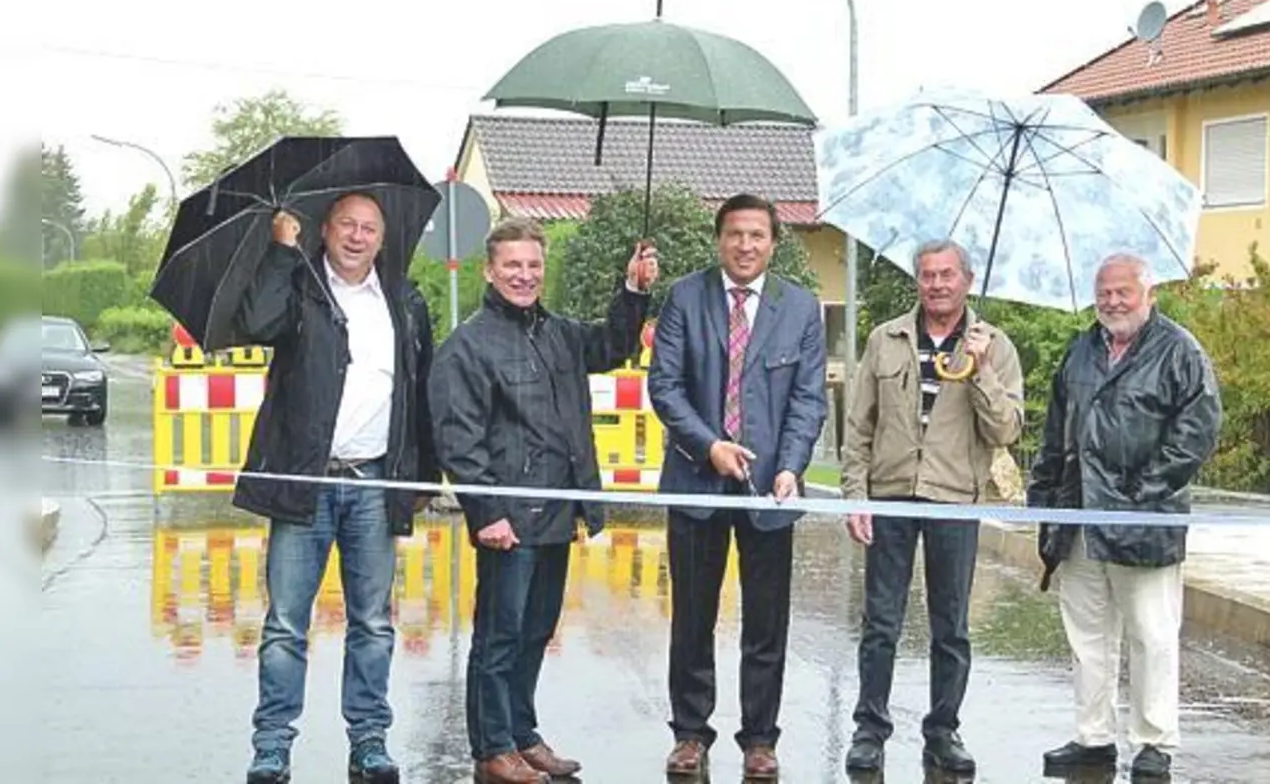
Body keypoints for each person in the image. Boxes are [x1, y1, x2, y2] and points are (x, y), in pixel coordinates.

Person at [429, 217, 658, 784]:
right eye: (513, 265)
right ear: (490, 270)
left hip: (558, 512)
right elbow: (458, 439)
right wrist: (488, 513)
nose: (524, 275)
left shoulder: (558, 333)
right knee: (498, 637)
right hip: (509, 519)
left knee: (535, 631)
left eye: (533, 265)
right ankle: (492, 749)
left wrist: (633, 291)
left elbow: (610, 345)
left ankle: (522, 734)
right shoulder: (468, 346)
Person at [235, 193, 438, 784]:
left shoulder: (404, 300)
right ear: (323, 231)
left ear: (382, 238)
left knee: (373, 622)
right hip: (306, 478)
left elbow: (419, 389)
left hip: (374, 480)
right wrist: (279, 251)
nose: (356, 236)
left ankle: (370, 740)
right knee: (285, 625)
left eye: (369, 227)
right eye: (346, 224)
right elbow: (255, 324)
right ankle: (272, 745)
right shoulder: (298, 289)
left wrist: (422, 475)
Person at [647, 193, 829, 779]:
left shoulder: (799, 308)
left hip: (768, 491)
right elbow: (666, 388)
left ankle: (760, 738)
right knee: (693, 618)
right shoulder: (684, 298)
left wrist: (792, 466)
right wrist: (709, 446)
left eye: (756, 235)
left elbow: (807, 399)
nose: (745, 246)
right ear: (718, 239)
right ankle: (690, 733)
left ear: (774, 241)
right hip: (698, 482)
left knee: (766, 622)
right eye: (735, 235)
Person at [1027, 253, 1222, 781]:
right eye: (1104, 292)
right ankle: (1093, 737)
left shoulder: (1179, 351)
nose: (1112, 302)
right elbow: (1055, 430)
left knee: (1151, 633)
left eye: (1123, 292)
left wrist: (1142, 492)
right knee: (1087, 636)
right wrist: (1042, 495)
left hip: (1146, 520)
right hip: (1079, 518)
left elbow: (1198, 431)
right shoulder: (1080, 350)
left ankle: (1155, 742)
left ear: (1147, 293)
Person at [839, 238, 1026, 775]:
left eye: (947, 275)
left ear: (966, 280)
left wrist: (981, 371)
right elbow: (860, 426)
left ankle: (943, 730)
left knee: (951, 625)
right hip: (892, 494)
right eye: (927, 275)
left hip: (953, 500)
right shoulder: (886, 339)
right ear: (917, 281)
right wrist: (856, 495)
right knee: (881, 622)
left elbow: (1006, 429)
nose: (937, 284)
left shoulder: (995, 346)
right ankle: (869, 729)